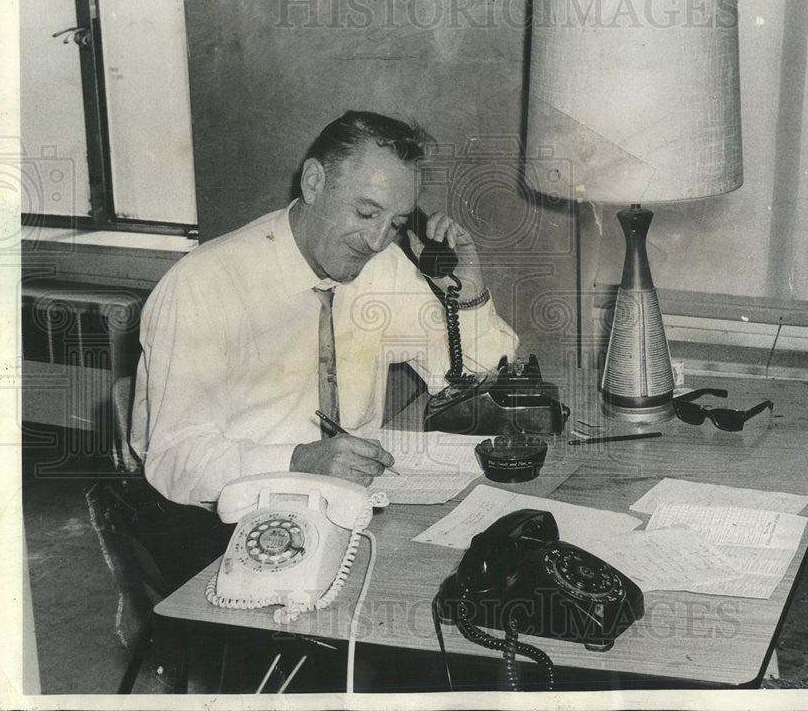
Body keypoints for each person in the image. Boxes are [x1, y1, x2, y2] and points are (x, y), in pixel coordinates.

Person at [127, 111, 518, 585]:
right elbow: (174, 460)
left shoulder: (383, 268)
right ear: (314, 182)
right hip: (221, 521)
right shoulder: (204, 284)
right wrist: (297, 461)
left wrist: (468, 291)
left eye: (395, 223)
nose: (377, 240)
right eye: (366, 213)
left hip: (353, 507)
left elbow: (470, 380)